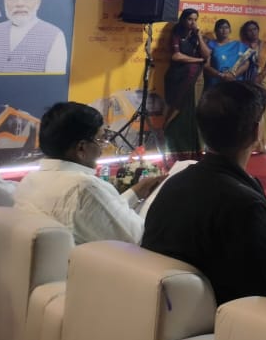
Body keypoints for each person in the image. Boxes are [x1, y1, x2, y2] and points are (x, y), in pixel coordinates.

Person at [142, 81, 266, 304]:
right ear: (256, 131)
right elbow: (264, 288)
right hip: (220, 324)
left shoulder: (175, 182)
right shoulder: (244, 205)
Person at [15, 102, 165, 244]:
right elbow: (138, 236)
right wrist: (163, 201)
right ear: (81, 148)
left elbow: (99, 214)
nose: (102, 149)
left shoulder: (29, 181)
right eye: (100, 139)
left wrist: (135, 192)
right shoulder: (84, 188)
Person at [163, 8, 210, 161]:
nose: (193, 22)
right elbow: (176, 56)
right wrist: (197, 60)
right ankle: (174, 148)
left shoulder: (195, 36)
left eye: (195, 19)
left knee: (192, 114)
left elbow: (207, 55)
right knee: (178, 113)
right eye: (190, 19)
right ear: (183, 19)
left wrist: (200, 36)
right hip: (178, 79)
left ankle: (191, 150)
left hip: (194, 79)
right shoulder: (176, 33)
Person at [239, 20, 266, 152]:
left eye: (254, 29)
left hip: (262, 79)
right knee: (248, 111)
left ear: (258, 30)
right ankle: (248, 143)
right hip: (245, 79)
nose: (252, 32)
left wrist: (260, 77)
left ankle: (260, 144)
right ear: (245, 32)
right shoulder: (241, 46)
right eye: (249, 30)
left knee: (260, 111)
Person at [203, 18, 252, 89]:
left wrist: (233, 75)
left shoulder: (239, 45)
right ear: (216, 31)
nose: (224, 30)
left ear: (230, 30)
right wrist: (221, 75)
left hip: (235, 81)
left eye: (226, 27)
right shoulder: (210, 45)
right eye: (221, 28)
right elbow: (206, 66)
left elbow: (246, 63)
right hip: (216, 82)